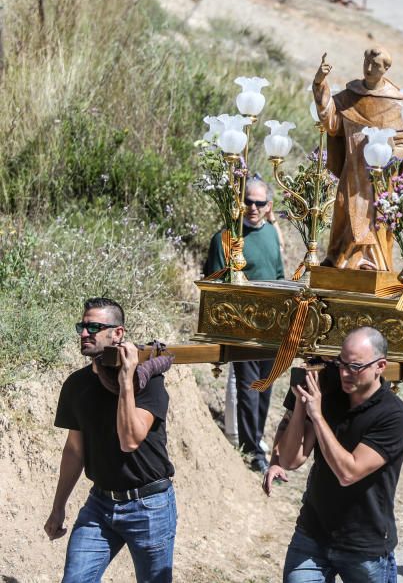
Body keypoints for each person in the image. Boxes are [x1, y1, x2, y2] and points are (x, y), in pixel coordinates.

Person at [47, 297, 177, 582]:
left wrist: (127, 377)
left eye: (94, 327)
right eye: (82, 326)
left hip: (149, 507)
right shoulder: (76, 385)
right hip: (100, 505)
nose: (84, 333)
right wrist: (58, 507)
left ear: (118, 333)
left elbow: (129, 440)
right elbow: (74, 451)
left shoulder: (148, 381)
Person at [278, 327, 403, 582]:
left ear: (380, 366)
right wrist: (301, 405)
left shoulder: (394, 416)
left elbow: (348, 473)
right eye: (341, 364)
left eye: (355, 367)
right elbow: (290, 459)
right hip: (313, 534)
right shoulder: (330, 396)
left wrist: (317, 416)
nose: (344, 373)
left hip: (363, 546)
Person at [204, 176, 285, 473]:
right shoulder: (226, 238)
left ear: (268, 206)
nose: (253, 207)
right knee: (249, 388)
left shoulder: (271, 235)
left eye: (259, 203)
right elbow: (214, 281)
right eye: (248, 201)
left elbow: (278, 276)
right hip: (243, 323)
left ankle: (257, 441)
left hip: (272, 323)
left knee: (266, 386)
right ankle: (253, 450)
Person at [313, 47, 403, 270]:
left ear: (386, 69)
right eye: (366, 62)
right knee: (344, 211)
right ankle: (340, 257)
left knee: (376, 215)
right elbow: (331, 123)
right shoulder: (350, 97)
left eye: (375, 65)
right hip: (352, 172)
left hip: (380, 176)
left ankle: (371, 261)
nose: (368, 68)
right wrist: (319, 83)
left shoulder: (396, 103)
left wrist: (389, 158)